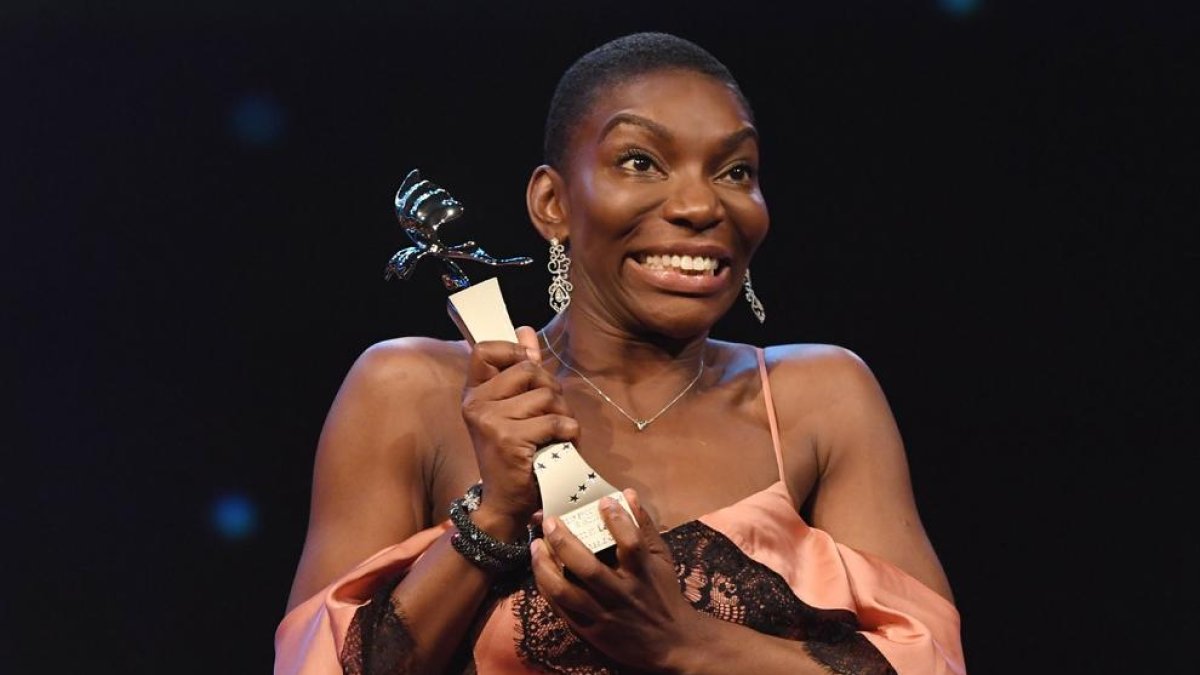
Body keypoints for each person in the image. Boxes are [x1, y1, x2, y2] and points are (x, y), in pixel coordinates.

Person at [276, 32, 964, 675]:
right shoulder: (410, 391)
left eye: (735, 170)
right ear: (552, 203)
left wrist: (685, 642)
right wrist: (492, 518)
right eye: (640, 162)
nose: (700, 204)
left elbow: (927, 661)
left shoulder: (820, 399)